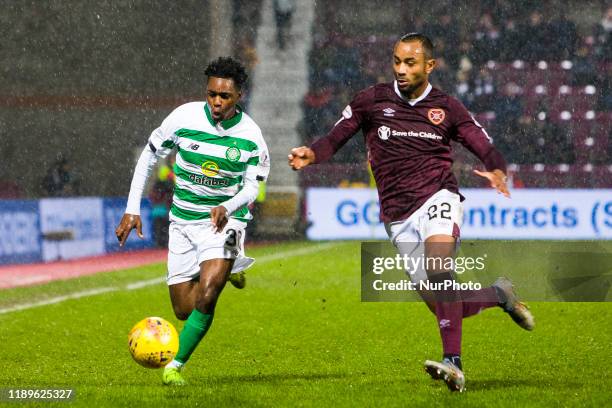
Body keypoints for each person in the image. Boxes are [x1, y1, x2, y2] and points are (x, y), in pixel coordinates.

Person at [288, 33, 534, 392]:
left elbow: (483, 143)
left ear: (429, 66)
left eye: (410, 63)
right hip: (397, 216)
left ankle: (454, 364)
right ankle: (499, 294)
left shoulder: (447, 108)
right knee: (447, 307)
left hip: (439, 197)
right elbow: (336, 136)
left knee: (439, 268)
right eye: (397, 62)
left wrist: (496, 167)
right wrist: (312, 153)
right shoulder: (372, 100)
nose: (401, 70)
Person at [115, 57, 270, 386]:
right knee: (185, 310)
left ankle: (175, 366)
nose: (216, 101)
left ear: (239, 96)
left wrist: (228, 205)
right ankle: (229, 270)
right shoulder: (183, 118)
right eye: (212, 94)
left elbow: (252, 186)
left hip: (225, 221)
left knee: (208, 293)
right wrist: (133, 207)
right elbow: (149, 155)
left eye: (224, 96)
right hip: (183, 221)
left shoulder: (251, 136)